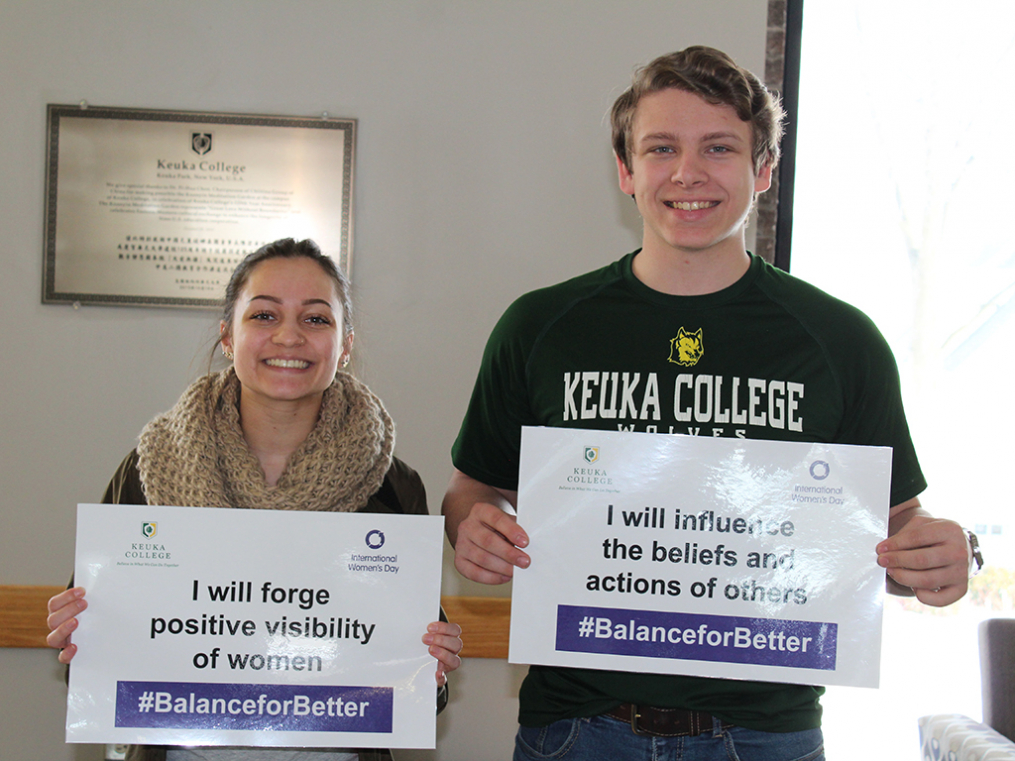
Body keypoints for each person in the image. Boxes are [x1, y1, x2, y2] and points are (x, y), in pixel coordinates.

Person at [442, 46, 974, 761]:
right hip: (575, 727)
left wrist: (944, 550)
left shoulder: (840, 341)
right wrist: (476, 526)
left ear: (762, 169)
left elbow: (894, 522)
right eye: (661, 148)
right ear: (626, 171)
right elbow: (472, 489)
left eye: (718, 148)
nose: (687, 173)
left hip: (764, 734)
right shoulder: (539, 328)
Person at [46, 238, 463, 761]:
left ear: (346, 345)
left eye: (316, 320)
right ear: (227, 335)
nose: (289, 337)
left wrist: (432, 667)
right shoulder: (150, 467)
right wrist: (80, 635)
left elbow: (415, 693)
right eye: (264, 315)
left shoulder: (392, 485)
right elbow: (90, 665)